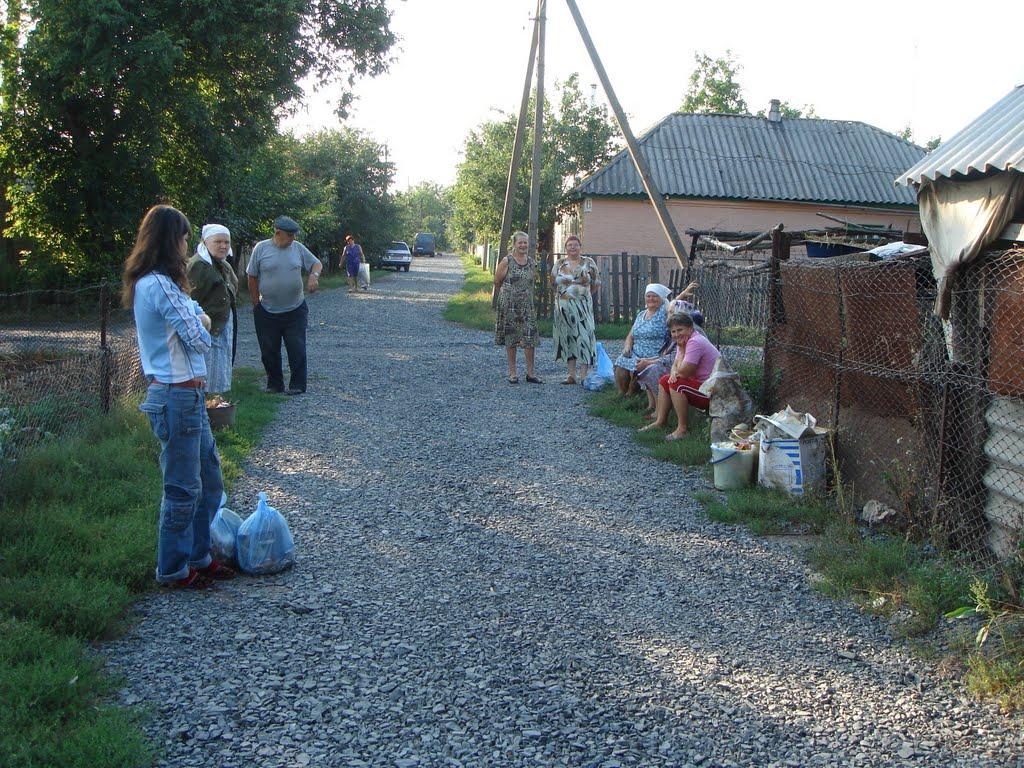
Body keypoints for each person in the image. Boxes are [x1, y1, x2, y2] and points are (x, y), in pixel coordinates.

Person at [123, 204, 236, 589]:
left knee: (210, 480)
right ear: (170, 240)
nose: (188, 245)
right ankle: (172, 567)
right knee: (183, 488)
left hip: (190, 396)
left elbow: (194, 316)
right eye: (185, 237)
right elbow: (200, 337)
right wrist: (201, 319)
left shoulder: (166, 285)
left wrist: (197, 316)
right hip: (175, 396)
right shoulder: (155, 284)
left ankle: (199, 556)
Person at [247, 215, 323, 395]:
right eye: (289, 235)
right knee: (269, 350)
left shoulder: (297, 248)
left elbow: (317, 264)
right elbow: (252, 275)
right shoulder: (261, 248)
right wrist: (255, 302)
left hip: (295, 309)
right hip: (267, 310)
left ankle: (297, 385)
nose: (293, 238)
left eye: (294, 235)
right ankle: (275, 384)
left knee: (296, 347)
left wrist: (314, 276)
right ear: (278, 232)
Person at [639, 311, 721, 440]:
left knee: (676, 383)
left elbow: (684, 372)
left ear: (690, 328)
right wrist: (673, 373)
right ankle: (660, 421)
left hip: (713, 392)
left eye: (680, 330)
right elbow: (675, 367)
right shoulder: (685, 340)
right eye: (673, 331)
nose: (676, 334)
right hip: (702, 386)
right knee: (664, 381)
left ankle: (682, 429)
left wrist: (681, 354)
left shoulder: (695, 342)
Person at [187, 224, 238, 394]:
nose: (223, 246)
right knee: (207, 372)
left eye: (226, 242)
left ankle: (216, 408)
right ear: (206, 242)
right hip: (207, 328)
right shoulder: (198, 266)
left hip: (220, 326)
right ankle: (207, 408)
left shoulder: (222, 265)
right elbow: (189, 299)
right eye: (218, 242)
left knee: (218, 370)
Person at [493, 231, 542, 384]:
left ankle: (530, 373)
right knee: (511, 338)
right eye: (520, 242)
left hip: (527, 306)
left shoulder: (532, 262)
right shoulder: (507, 261)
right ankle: (513, 373)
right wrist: (508, 296)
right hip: (509, 305)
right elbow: (497, 281)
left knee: (529, 339)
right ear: (514, 244)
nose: (523, 245)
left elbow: (532, 282)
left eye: (525, 242)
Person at [551, 235, 599, 384]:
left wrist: (584, 296)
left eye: (575, 245)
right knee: (568, 338)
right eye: (570, 245)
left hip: (583, 308)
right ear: (565, 248)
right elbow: (552, 283)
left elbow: (596, 282)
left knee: (584, 337)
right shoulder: (559, 263)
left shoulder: (588, 263)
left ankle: (584, 375)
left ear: (580, 247)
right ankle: (571, 375)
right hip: (564, 309)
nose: (572, 247)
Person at [613, 283, 671, 396]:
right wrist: (627, 346)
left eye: (655, 296)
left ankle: (632, 392)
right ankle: (621, 393)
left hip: (654, 353)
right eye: (648, 296)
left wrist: (684, 293)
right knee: (621, 362)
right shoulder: (641, 315)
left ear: (662, 299)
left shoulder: (664, 313)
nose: (651, 299)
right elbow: (631, 335)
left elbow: (674, 303)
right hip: (635, 352)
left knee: (638, 366)